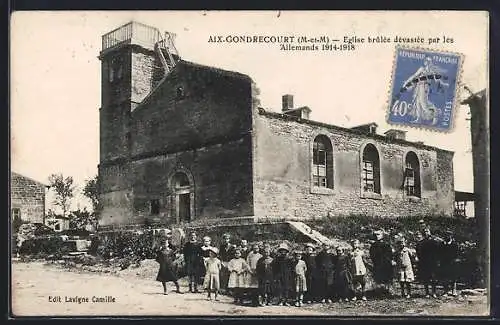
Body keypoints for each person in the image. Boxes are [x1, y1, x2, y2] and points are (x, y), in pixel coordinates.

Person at [400, 56, 450, 125]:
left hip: (425, 87)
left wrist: (443, 84)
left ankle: (435, 114)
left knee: (423, 104)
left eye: (429, 61)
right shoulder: (422, 69)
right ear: (425, 62)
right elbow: (414, 76)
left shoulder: (431, 71)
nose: (428, 62)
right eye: (427, 61)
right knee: (417, 103)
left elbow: (437, 79)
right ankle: (418, 119)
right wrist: (406, 83)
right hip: (418, 86)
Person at [369, 229, 394, 297]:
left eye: (378, 234)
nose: (377, 236)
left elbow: (390, 255)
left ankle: (388, 291)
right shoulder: (373, 246)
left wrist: (389, 261)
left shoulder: (386, 244)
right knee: (379, 279)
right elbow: (372, 256)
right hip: (378, 264)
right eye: (375, 235)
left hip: (386, 264)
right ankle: (380, 292)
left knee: (387, 278)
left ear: (382, 235)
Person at [416, 228, 440, 298]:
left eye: (427, 231)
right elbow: (418, 252)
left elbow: (438, 252)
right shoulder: (421, 243)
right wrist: (420, 259)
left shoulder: (435, 242)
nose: (426, 233)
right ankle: (427, 293)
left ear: (430, 232)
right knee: (425, 278)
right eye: (425, 232)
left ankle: (434, 292)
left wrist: (437, 261)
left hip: (433, 262)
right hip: (424, 262)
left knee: (433, 278)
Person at [439, 230, 460, 296]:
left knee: (453, 277)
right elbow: (439, 253)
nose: (447, 237)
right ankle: (445, 291)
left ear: (451, 236)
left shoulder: (454, 244)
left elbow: (457, 254)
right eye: (446, 235)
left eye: (449, 235)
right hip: (444, 263)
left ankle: (454, 290)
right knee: (445, 277)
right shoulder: (442, 244)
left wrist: (455, 260)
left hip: (452, 262)